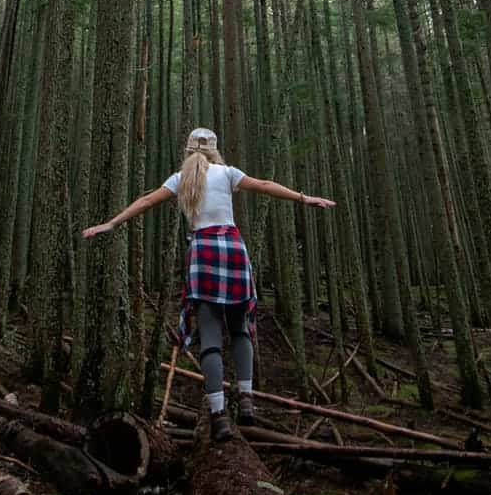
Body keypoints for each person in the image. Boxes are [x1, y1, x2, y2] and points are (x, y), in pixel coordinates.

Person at [82, 127, 335, 443]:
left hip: (202, 251)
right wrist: (303, 197)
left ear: (188, 150)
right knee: (240, 329)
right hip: (232, 248)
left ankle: (218, 416)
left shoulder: (181, 179)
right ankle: (246, 399)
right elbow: (265, 185)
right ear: (215, 150)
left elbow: (147, 201)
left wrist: (112, 223)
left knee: (211, 337)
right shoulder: (228, 173)